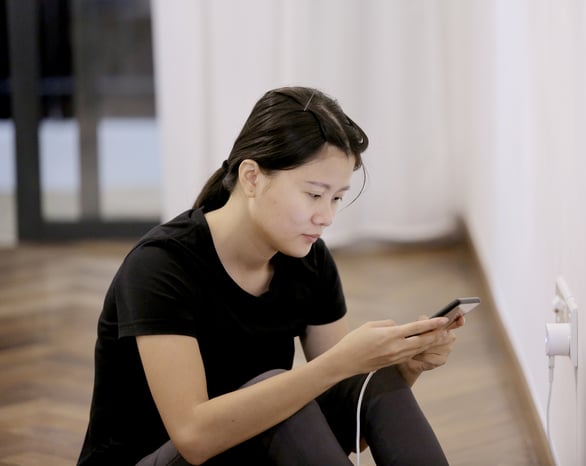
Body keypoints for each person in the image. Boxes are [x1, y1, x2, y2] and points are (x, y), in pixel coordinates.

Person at [77, 86, 464, 466]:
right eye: (314, 194)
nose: (326, 217)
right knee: (280, 393)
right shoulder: (160, 266)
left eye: (337, 198)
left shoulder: (309, 261)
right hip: (158, 456)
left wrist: (404, 367)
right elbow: (193, 437)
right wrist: (339, 363)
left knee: (369, 380)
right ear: (251, 178)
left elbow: (348, 425)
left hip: (247, 450)